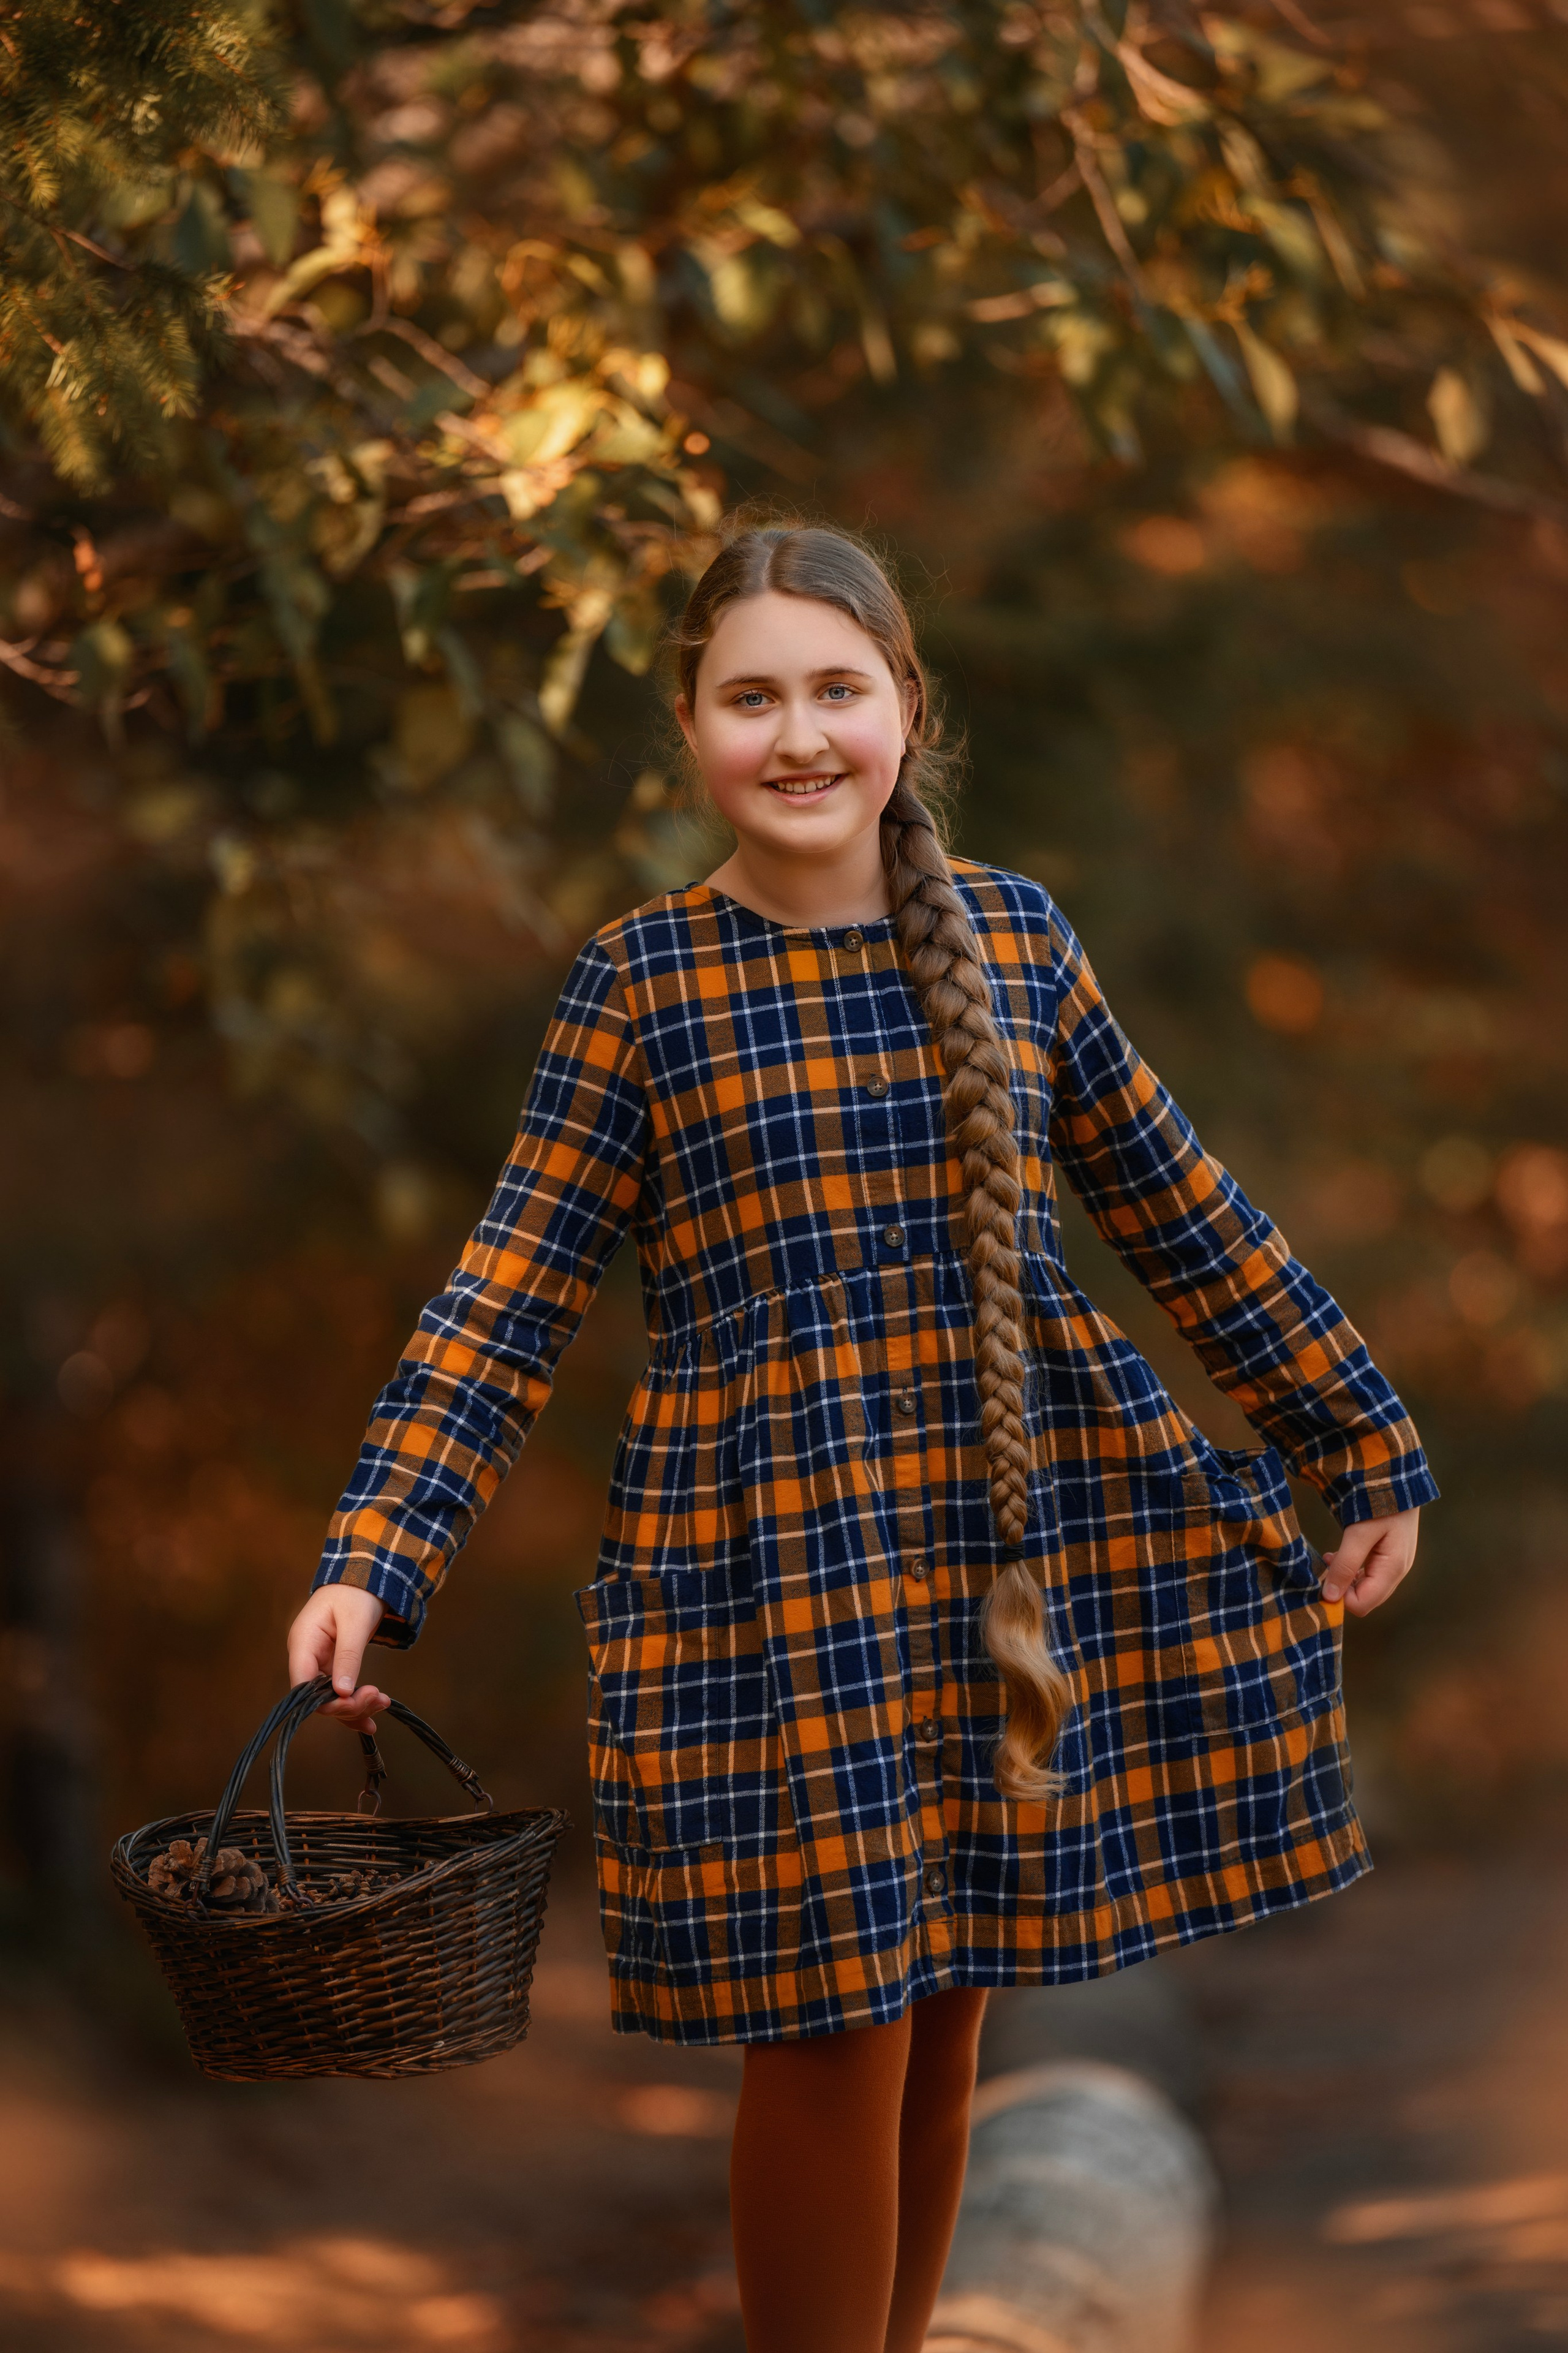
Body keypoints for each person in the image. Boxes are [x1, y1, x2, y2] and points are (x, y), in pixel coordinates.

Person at [287, 523, 1434, 2353]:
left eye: (839, 687)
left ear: (908, 708)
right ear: (692, 729)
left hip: (997, 1553)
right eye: (754, 695)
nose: (801, 732)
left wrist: (1357, 1434)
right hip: (768, 1582)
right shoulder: (645, 985)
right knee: (828, 2028)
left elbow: (1187, 1216)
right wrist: (379, 1547)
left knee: (950, 2004)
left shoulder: (1018, 943)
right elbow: (506, 1294)